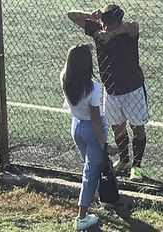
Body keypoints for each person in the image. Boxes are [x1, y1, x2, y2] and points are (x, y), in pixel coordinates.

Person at [67, 4, 149, 181]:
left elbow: (134, 25)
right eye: (103, 23)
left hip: (133, 89)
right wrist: (90, 15)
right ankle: (124, 160)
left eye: (108, 24)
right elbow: (71, 15)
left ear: (116, 22)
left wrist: (111, 34)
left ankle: (137, 166)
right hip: (111, 90)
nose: (104, 27)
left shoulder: (128, 33)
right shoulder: (98, 29)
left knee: (137, 128)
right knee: (117, 127)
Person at [60, 44, 117, 231]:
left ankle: (101, 199)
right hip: (92, 131)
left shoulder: (65, 77)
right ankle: (82, 216)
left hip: (76, 127)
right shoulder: (93, 88)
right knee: (90, 173)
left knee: (89, 168)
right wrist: (104, 145)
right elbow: (95, 119)